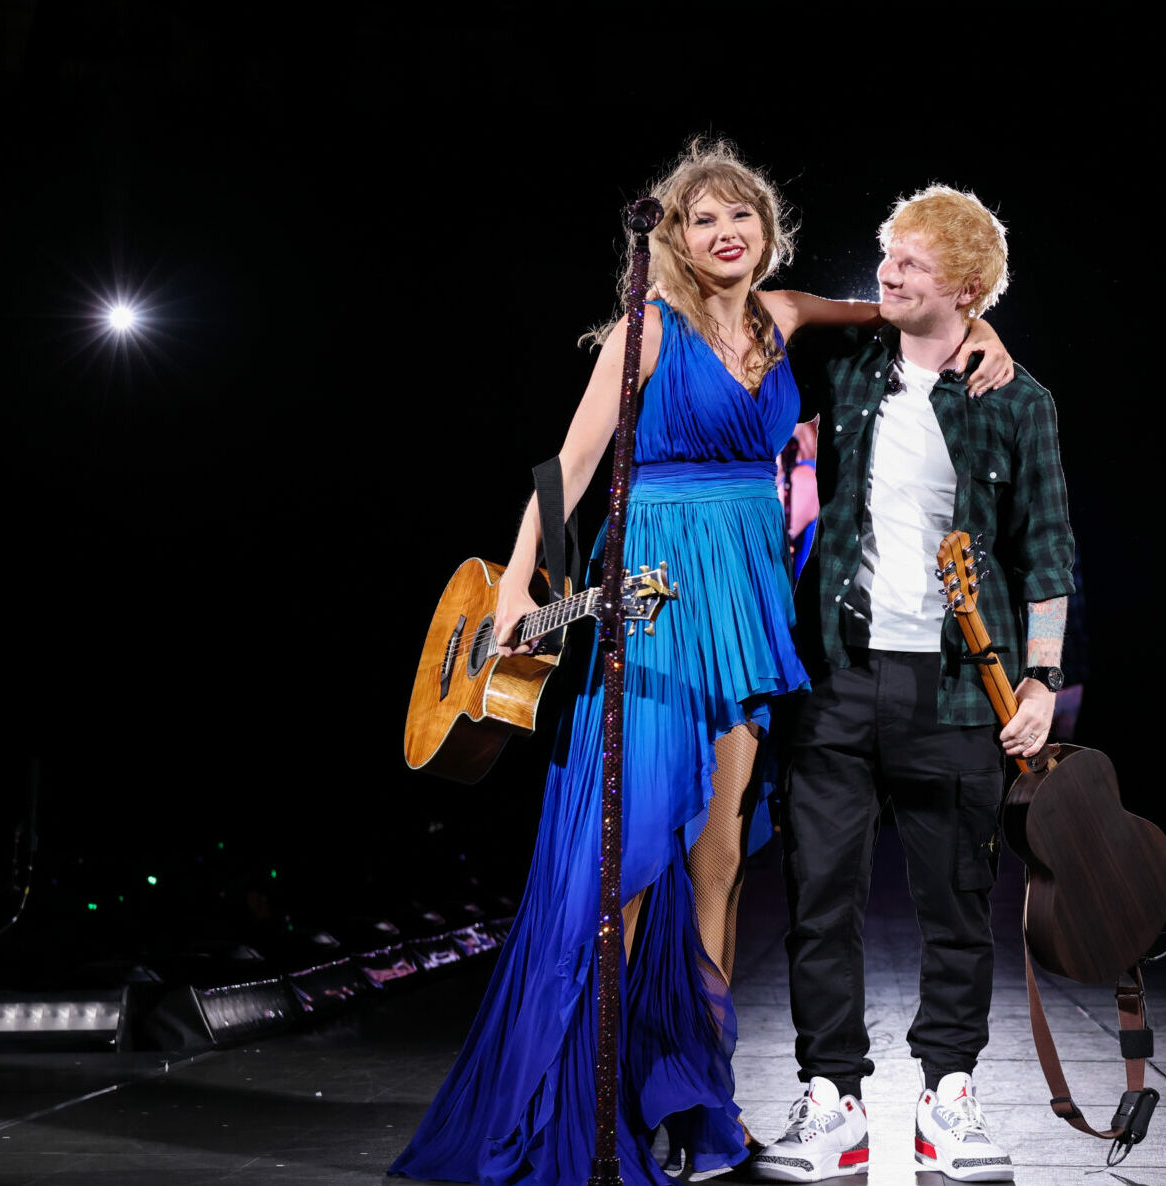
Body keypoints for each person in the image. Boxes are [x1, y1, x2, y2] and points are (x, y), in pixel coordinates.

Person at [388, 140, 1014, 1186]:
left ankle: (700, 1100)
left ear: (769, 233)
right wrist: (515, 587)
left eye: (744, 219)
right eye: (704, 221)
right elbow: (572, 462)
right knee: (627, 863)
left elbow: (911, 314)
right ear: (673, 237)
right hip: (658, 594)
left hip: (749, 596)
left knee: (720, 859)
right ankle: (589, 1098)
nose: (727, 235)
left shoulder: (790, 313)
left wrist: (982, 325)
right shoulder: (644, 330)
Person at [756, 186, 1075, 1183]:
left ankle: (948, 1100)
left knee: (956, 900)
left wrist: (1040, 682)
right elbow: (776, 307)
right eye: (887, 255)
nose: (886, 271)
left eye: (912, 263)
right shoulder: (849, 373)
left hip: (955, 688)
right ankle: (833, 1100)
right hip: (838, 676)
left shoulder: (1018, 399)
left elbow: (1048, 551)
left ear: (969, 287)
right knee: (820, 895)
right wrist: (936, 315)